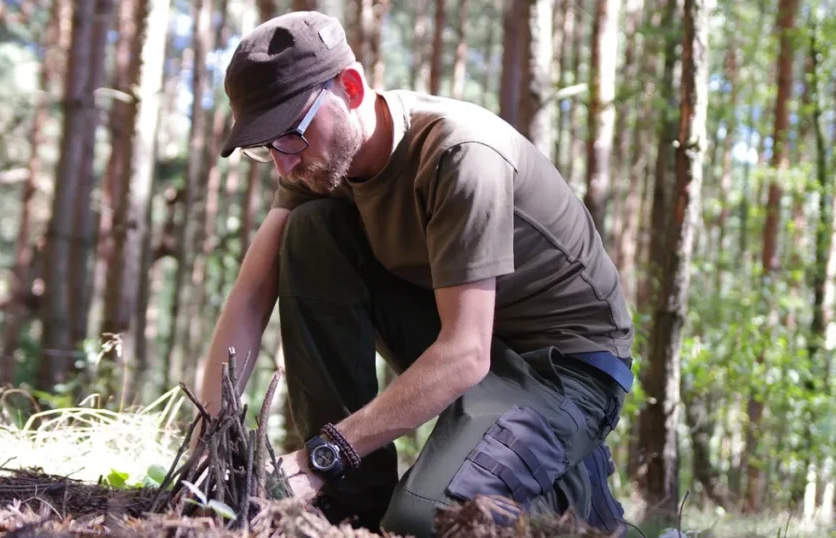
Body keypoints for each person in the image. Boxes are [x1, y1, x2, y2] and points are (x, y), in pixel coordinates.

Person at [197, 10, 634, 538]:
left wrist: (323, 456)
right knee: (310, 231)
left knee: (424, 522)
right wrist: (210, 443)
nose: (283, 165)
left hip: (565, 369)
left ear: (352, 88)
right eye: (265, 147)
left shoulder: (459, 156)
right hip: (469, 338)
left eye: (290, 134)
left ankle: (580, 496)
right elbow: (252, 291)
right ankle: (350, 504)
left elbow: (466, 352)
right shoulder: (315, 161)